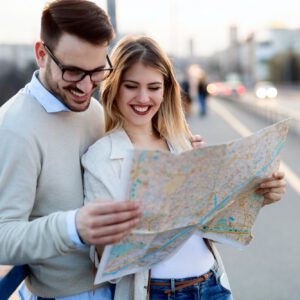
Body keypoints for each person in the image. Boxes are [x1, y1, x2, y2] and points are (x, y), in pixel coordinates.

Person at [81, 35, 286, 300]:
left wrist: (261, 193)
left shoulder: (181, 142)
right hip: (158, 292)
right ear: (114, 88)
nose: (143, 98)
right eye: (131, 86)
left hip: (212, 285)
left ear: (166, 89)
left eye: (154, 87)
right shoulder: (100, 157)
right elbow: (103, 258)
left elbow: (210, 223)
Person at [0, 1, 142, 299]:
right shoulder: (14, 128)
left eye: (97, 71)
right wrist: (72, 228)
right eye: (73, 71)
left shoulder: (94, 111)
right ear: (41, 54)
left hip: (120, 285)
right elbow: (3, 236)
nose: (86, 86)